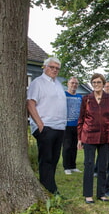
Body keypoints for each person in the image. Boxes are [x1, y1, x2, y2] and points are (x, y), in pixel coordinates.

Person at [77, 73, 109, 204]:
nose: (96, 85)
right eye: (94, 82)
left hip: (106, 137)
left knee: (103, 166)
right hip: (89, 136)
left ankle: (101, 193)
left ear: (103, 84)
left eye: (99, 82)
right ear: (91, 84)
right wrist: (79, 138)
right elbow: (81, 119)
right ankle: (88, 194)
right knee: (89, 165)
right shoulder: (86, 99)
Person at [27, 57, 67, 195]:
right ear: (44, 67)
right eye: (52, 67)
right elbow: (30, 103)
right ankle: (47, 190)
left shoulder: (58, 84)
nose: (54, 70)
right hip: (46, 127)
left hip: (59, 127)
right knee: (46, 159)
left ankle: (52, 187)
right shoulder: (38, 83)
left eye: (57, 68)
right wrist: (39, 124)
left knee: (54, 159)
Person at [62, 76, 83, 175]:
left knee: (74, 146)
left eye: (76, 83)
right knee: (67, 146)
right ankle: (66, 167)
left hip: (77, 125)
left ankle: (73, 166)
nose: (74, 85)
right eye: (72, 83)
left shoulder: (80, 97)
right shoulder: (63, 95)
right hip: (66, 125)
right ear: (68, 84)